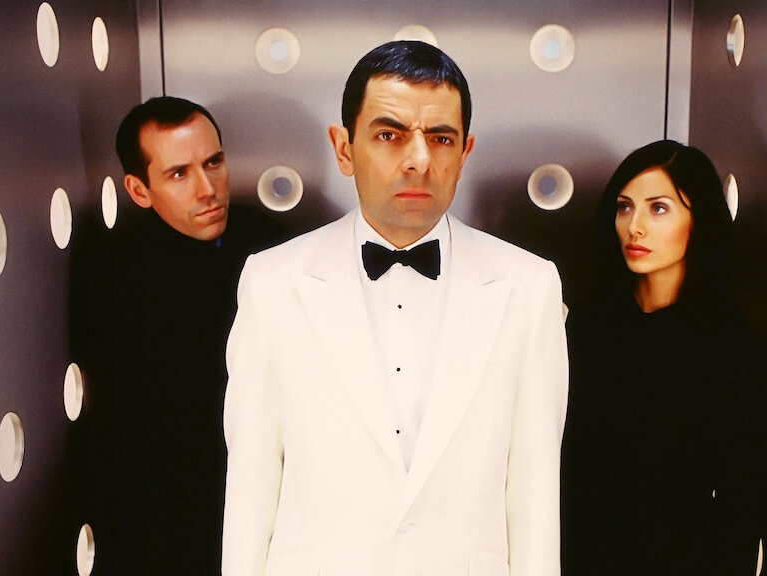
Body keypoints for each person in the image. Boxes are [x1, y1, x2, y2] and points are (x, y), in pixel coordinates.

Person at [222, 40, 568, 576]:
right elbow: (249, 489)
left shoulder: (529, 286)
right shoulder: (271, 282)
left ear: (465, 152)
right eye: (390, 135)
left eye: (441, 138)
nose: (419, 160)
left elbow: (536, 498)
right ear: (344, 148)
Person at [69, 96, 283, 576]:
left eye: (214, 163)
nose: (208, 189)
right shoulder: (116, 278)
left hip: (277, 497)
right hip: (171, 519)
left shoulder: (270, 242)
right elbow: (132, 441)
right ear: (139, 190)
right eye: (179, 174)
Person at [560, 140, 767, 575]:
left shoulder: (731, 346)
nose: (634, 227)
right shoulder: (584, 329)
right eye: (624, 207)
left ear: (699, 219)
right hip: (576, 556)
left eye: (658, 208)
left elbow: (742, 504)